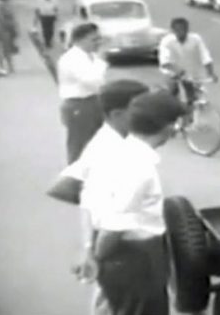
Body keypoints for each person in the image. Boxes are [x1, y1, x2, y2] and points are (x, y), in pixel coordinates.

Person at [74, 90, 185, 315]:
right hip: (136, 260)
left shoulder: (114, 152)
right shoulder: (140, 167)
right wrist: (96, 258)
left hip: (115, 254)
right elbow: (114, 227)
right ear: (168, 127)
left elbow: (88, 200)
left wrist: (89, 250)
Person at [57, 23, 107, 164]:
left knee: (97, 143)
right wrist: (101, 63)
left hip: (93, 101)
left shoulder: (90, 57)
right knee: (79, 145)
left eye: (99, 39)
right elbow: (93, 81)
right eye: (94, 39)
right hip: (79, 105)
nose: (98, 43)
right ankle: (75, 180)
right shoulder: (72, 59)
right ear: (80, 40)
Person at [158, 17, 218, 108]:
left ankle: (190, 118)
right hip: (172, 72)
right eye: (177, 30)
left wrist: (211, 73)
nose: (181, 32)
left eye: (183, 29)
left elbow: (205, 56)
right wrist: (179, 71)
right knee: (172, 93)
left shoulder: (196, 39)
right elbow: (165, 62)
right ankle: (172, 117)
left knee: (193, 97)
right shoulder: (166, 41)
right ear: (173, 30)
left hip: (191, 73)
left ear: (187, 29)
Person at [0, 0, 18, 74]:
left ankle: (2, 67)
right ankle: (10, 66)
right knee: (7, 49)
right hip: (5, 28)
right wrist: (14, 29)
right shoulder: (5, 5)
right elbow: (10, 18)